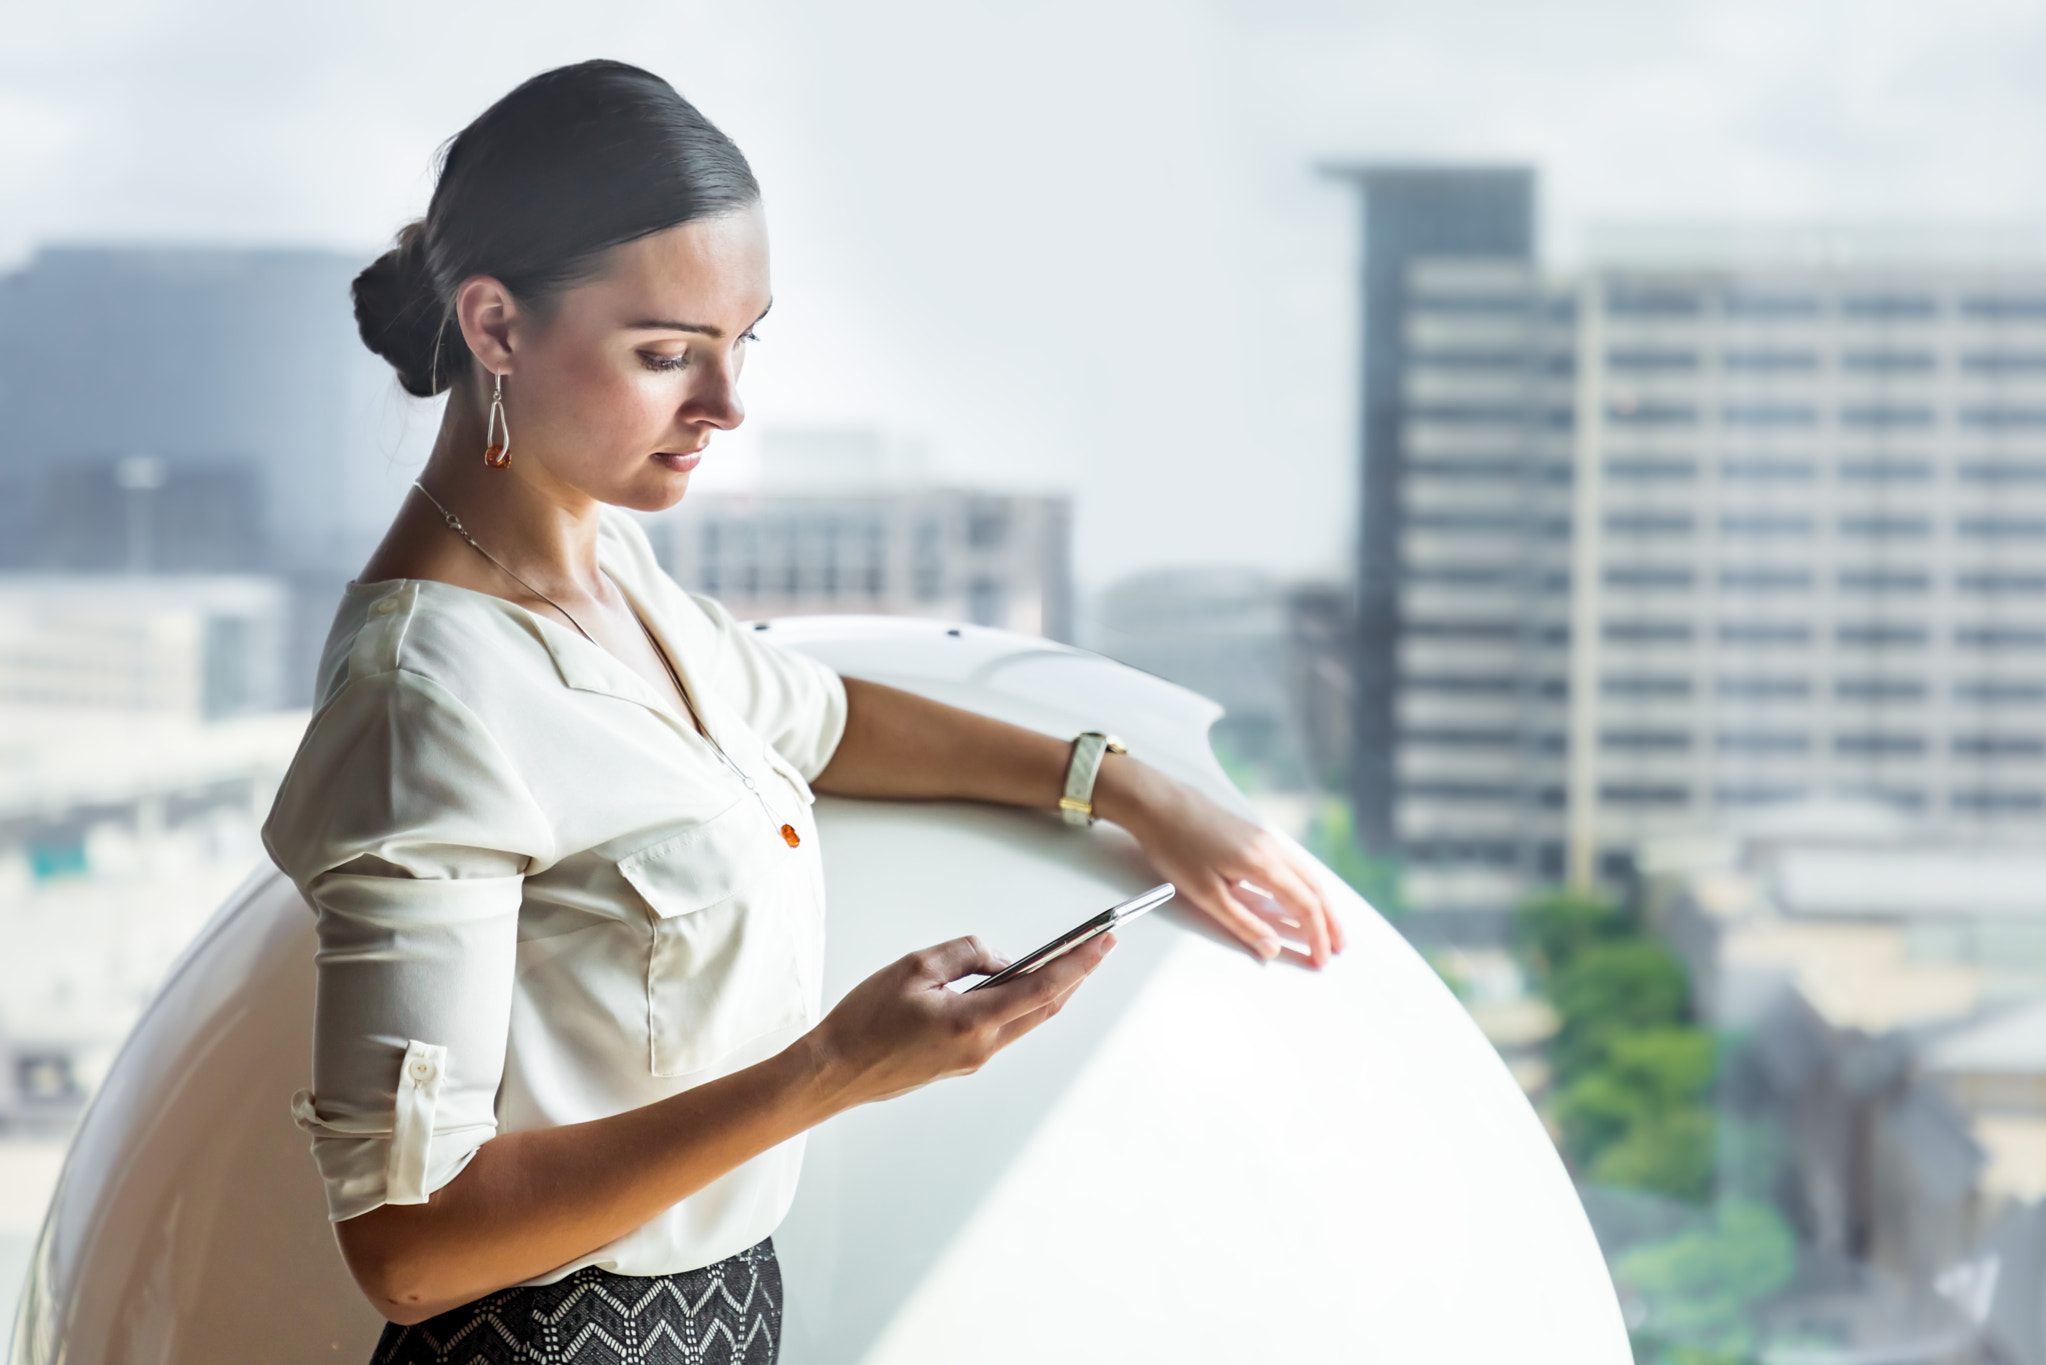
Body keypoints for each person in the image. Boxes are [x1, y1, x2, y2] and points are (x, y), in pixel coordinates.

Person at [262, 58, 1345, 1363]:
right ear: (494, 327)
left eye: (742, 342)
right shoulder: (424, 691)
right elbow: (410, 1245)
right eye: (667, 353)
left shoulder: (609, 575)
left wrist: (1131, 789)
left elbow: (818, 718)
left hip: (719, 1321)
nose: (726, 407)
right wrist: (835, 1067)